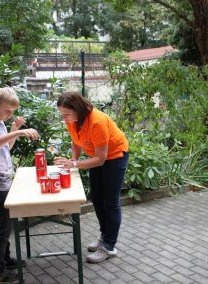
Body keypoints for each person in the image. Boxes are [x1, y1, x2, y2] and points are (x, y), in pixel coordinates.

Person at [54, 91, 129, 264]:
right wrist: (74, 159)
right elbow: (75, 141)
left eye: (66, 115)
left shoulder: (97, 121)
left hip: (115, 156)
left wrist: (73, 165)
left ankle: (109, 246)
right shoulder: (73, 121)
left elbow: (101, 159)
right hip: (95, 157)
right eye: (62, 115)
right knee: (96, 198)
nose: (64, 119)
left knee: (111, 201)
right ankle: (104, 236)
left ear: (78, 110)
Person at [0, 87, 39, 283]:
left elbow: (6, 147)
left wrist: (13, 129)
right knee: (1, 228)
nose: (9, 115)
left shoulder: (0, 122)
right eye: (7, 111)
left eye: (12, 112)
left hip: (0, 181)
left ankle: (6, 259)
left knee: (5, 224)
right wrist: (19, 132)